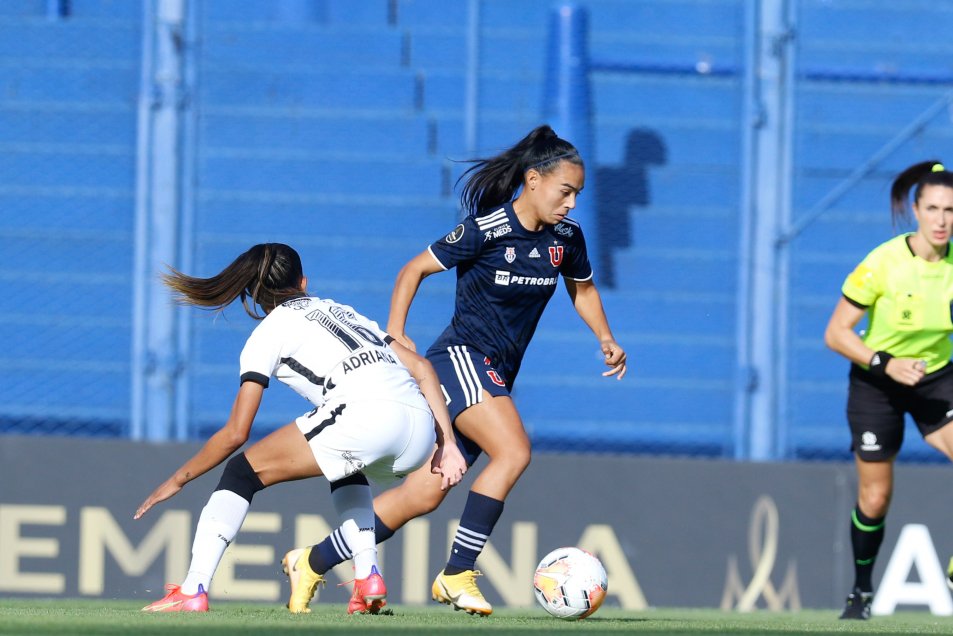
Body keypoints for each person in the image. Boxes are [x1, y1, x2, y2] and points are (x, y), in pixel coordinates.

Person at [282, 124, 627, 616]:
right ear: (533, 180)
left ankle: (311, 561)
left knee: (422, 495)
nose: (571, 203)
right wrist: (397, 334)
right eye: (565, 191)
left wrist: (606, 339)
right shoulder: (485, 230)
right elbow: (412, 270)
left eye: (577, 194)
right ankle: (456, 573)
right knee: (513, 451)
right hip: (461, 358)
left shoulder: (565, 238)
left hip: (495, 373)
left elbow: (583, 289)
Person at [134, 243, 467, 614]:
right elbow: (422, 368)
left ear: (254, 297)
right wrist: (447, 442)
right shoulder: (343, 311)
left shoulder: (268, 331)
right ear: (304, 282)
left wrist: (179, 479)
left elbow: (235, 433)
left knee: (242, 473)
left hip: (368, 416)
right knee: (346, 464)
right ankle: (367, 577)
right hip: (421, 428)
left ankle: (194, 589)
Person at [824, 161, 953, 620]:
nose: (942, 220)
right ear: (916, 210)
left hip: (937, 378)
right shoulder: (884, 262)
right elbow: (836, 333)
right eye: (933, 208)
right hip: (877, 381)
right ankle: (861, 591)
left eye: (951, 210)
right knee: (875, 497)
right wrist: (887, 363)